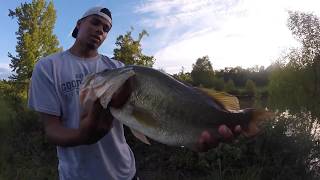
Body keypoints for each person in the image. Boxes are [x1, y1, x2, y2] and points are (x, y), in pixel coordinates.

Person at [28, 6, 242, 180]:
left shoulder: (119, 68)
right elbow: (52, 130)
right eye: (95, 22)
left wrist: (188, 138)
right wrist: (83, 136)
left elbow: (147, 120)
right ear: (79, 24)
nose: (100, 31)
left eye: (105, 29)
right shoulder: (48, 67)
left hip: (125, 173)